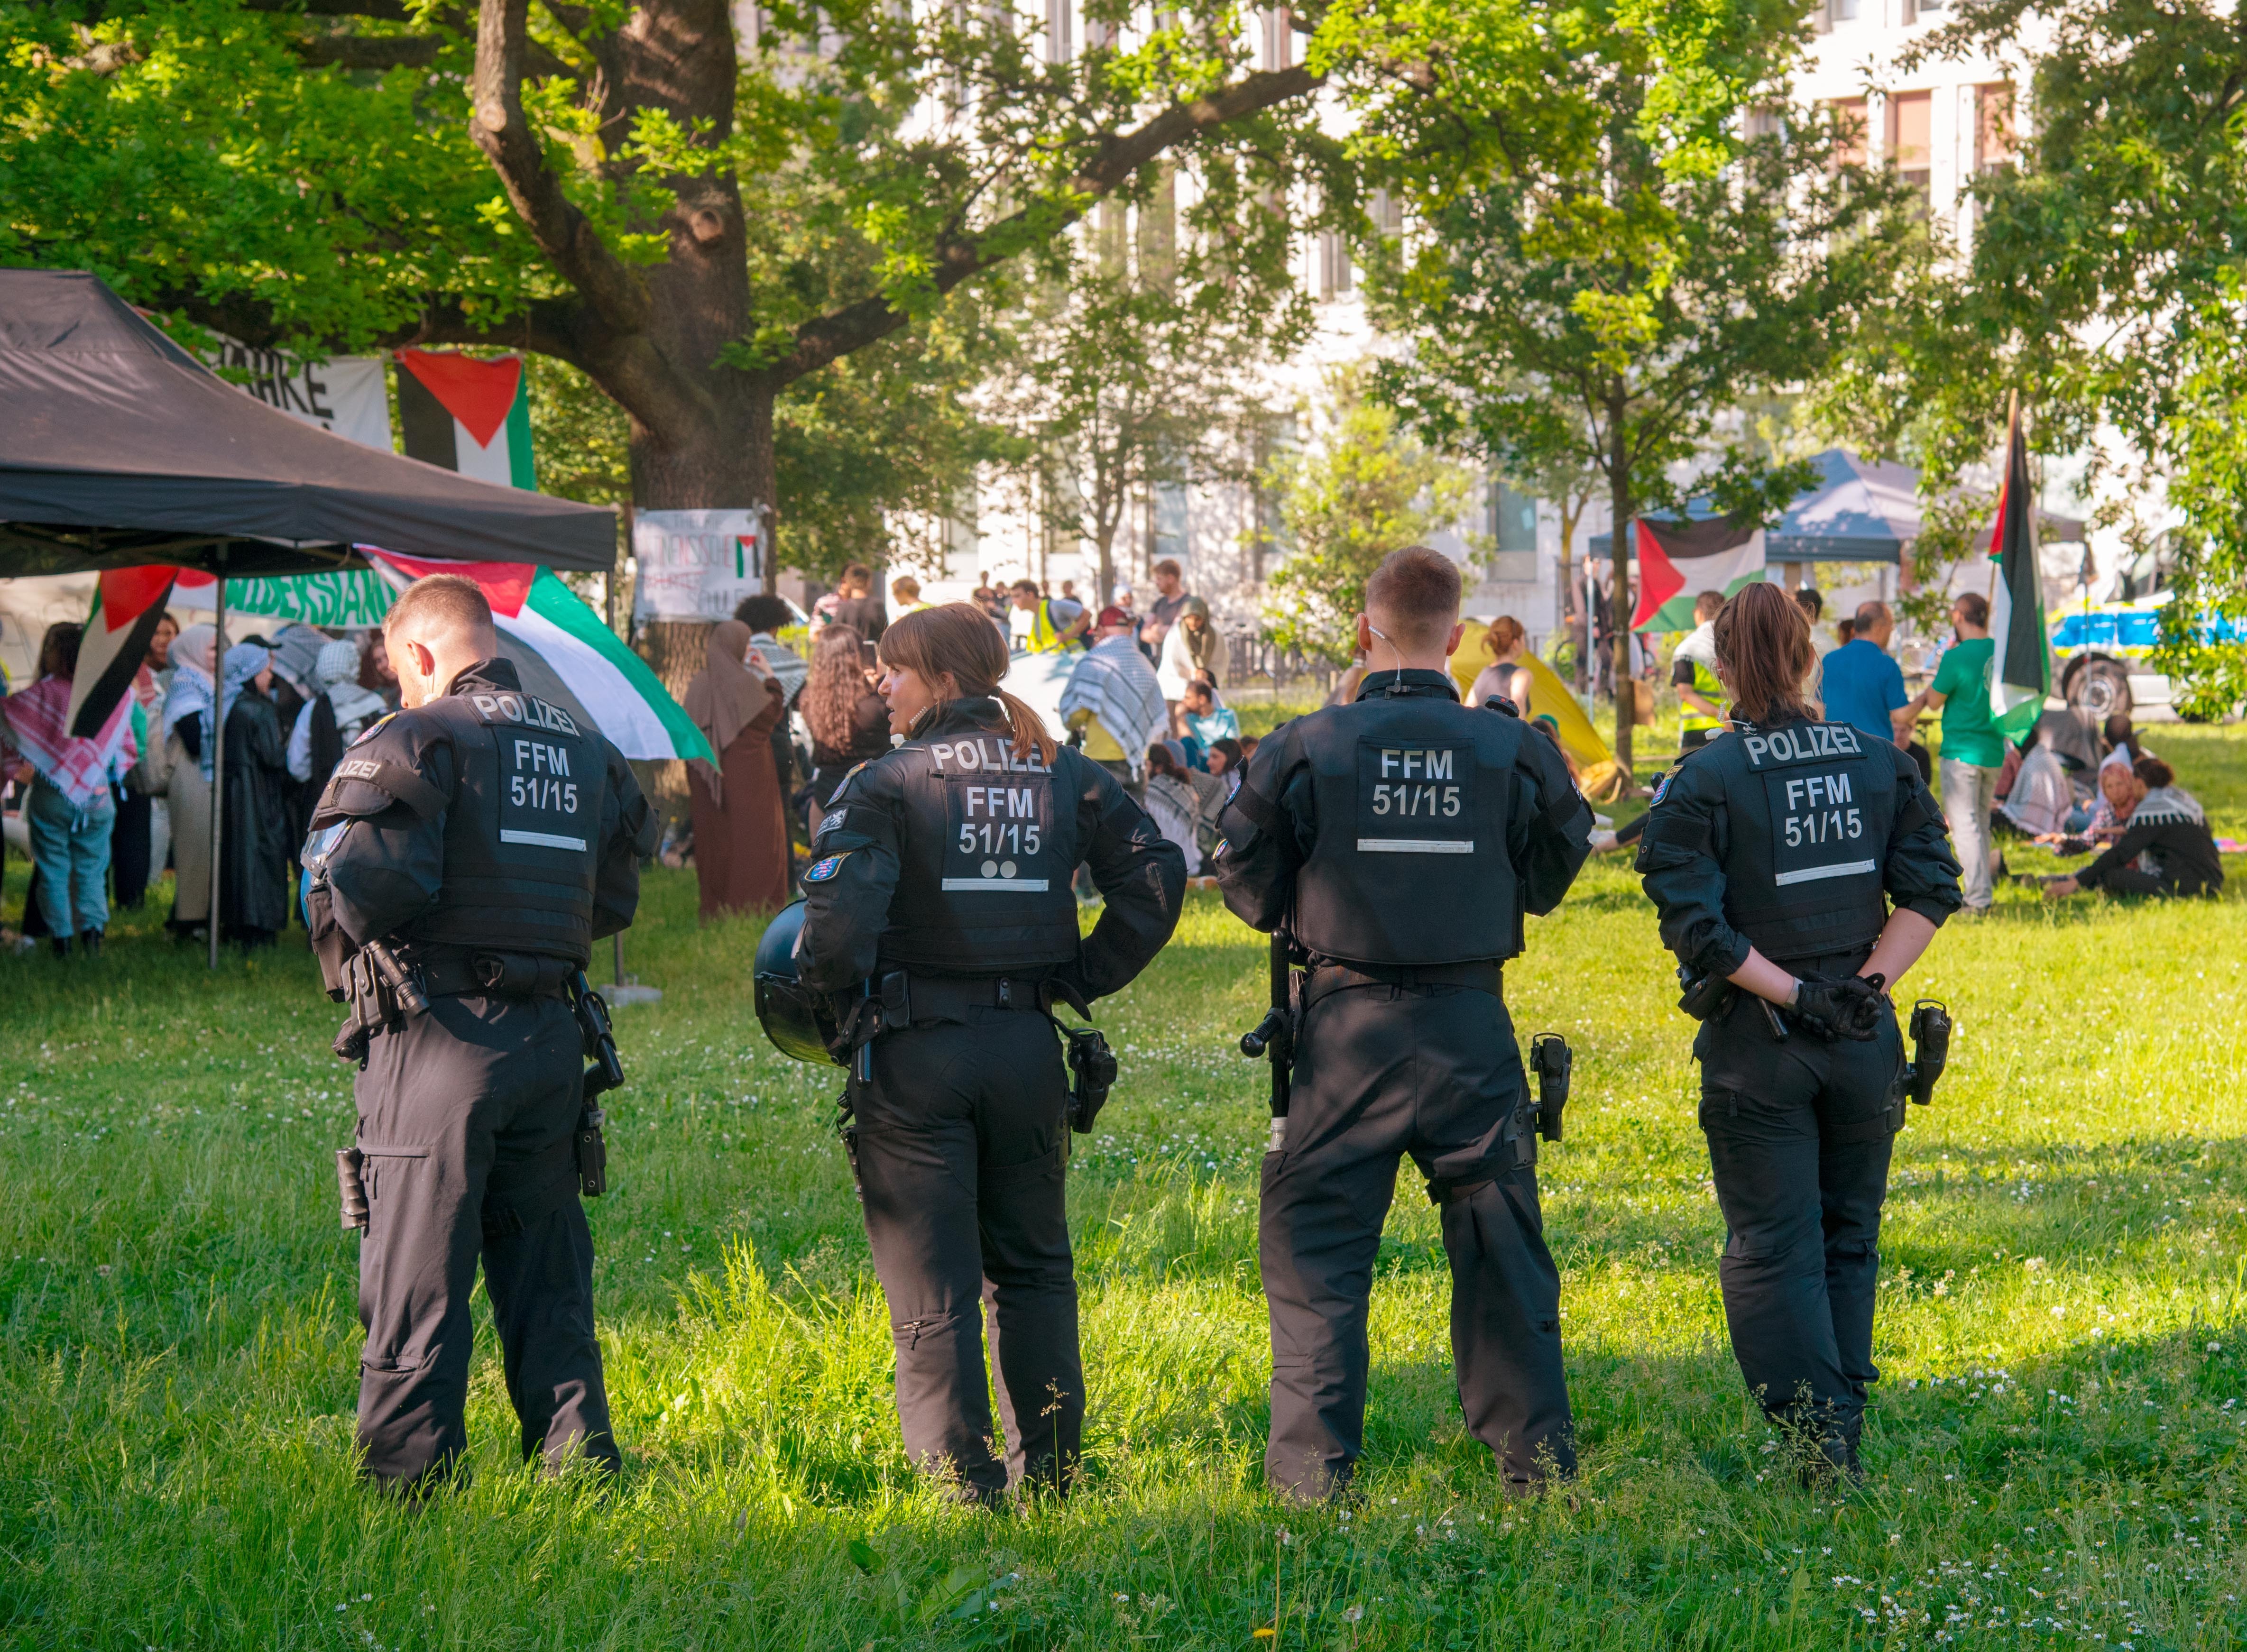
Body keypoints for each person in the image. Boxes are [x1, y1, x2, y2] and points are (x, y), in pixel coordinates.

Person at [1213, 546, 1594, 1502]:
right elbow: (1556, 863)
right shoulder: (1512, 747)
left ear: (1363, 631)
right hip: (1469, 1024)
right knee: (1503, 1253)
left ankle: (1311, 1480)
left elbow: (1244, 881)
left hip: (1344, 1032)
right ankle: (1537, 1470)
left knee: (1316, 1253)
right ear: (1455, 637)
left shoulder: (1305, 743)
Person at [795, 603, 1185, 1505]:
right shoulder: (1062, 769)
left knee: (932, 1290)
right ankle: (1053, 1476)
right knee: (1035, 1271)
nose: (880, 683)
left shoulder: (884, 781)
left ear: (939, 677)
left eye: (893, 669)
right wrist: (1078, 976)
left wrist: (836, 1010)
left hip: (915, 1052)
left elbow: (836, 929)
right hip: (1025, 1049)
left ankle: (963, 1491)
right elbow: (1155, 875)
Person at [300, 574, 654, 1492]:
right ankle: (578, 1464)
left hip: (436, 1036)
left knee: (415, 1271)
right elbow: (614, 895)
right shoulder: (587, 746)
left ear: (419, 653)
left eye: (397, 668)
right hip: (552, 1039)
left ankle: (410, 1483)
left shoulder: (413, 737)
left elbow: (356, 886)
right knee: (547, 1268)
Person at [1633, 582, 1962, 1484]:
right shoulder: (1880, 761)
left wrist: (1801, 996)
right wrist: (1862, 988)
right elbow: (1932, 887)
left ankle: (1822, 1445)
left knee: (1774, 1248)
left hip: (1761, 1042)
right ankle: (1838, 1434)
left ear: (1723, 666)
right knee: (1849, 1235)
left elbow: (1697, 929)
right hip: (1862, 1037)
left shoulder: (1703, 777)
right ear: (1808, 655)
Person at [0, 623, 137, 956]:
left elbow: (7, 718)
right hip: (98, 793)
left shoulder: (42, 694)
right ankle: (92, 937)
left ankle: (61, 940)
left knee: (53, 868)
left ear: (57, 654)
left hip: (52, 792)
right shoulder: (113, 694)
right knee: (92, 868)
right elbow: (127, 745)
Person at [1895, 593, 2004, 913]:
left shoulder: (1957, 656)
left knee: (1965, 825)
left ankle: (1978, 898)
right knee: (1980, 822)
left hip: (1961, 751)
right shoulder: (2000, 651)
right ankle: (1983, 891)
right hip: (1993, 749)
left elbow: (1934, 701)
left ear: (1958, 616)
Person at [683, 619, 790, 918]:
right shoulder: (745, 684)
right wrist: (769, 675)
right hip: (749, 776)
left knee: (714, 836)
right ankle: (752, 905)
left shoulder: (698, 684)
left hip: (706, 776)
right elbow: (772, 713)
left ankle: (716, 904)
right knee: (753, 836)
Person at [2044, 757, 2221, 901]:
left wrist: (2077, 882)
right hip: (2213, 883)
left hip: (2184, 887)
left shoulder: (2152, 811)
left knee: (2111, 875)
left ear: (2139, 783)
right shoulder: (2184, 803)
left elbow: (2121, 854)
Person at [218, 642, 293, 948]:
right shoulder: (259, 709)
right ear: (251, 673)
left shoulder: (231, 705)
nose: (270, 676)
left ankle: (236, 927)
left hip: (236, 794)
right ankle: (261, 927)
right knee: (262, 858)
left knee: (237, 860)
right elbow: (274, 757)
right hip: (260, 796)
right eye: (265, 670)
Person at [1058, 606, 1166, 794]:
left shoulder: (1096, 662)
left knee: (1097, 813)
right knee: (1133, 812)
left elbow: (1076, 715)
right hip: (1137, 760)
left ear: (1101, 630)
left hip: (1101, 760)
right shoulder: (1144, 664)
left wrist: (1071, 721)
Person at [801, 625, 893, 832]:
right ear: (858, 655)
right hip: (872, 800)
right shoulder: (875, 705)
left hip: (825, 800)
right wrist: (880, 681)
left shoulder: (809, 700)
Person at [289, 640, 389, 798]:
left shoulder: (312, 709)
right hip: (374, 795)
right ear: (353, 665)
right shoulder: (375, 702)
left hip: (330, 799)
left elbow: (298, 767)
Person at [1817, 601, 1910, 754]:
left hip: (1834, 751)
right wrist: (1925, 698)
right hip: (1876, 753)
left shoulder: (1829, 660)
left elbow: (1817, 710)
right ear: (1878, 627)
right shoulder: (1886, 664)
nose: (1891, 631)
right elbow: (1901, 716)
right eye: (1890, 626)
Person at [1669, 592, 1729, 752]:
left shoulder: (1686, 649)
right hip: (1733, 727)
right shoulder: (1735, 645)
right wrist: (1729, 717)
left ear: (1698, 614)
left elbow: (1685, 693)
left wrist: (1721, 714)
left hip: (1696, 730)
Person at [1157, 597, 1227, 728]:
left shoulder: (1215, 636)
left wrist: (1206, 675)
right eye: (1189, 618)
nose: (1193, 623)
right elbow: (1170, 666)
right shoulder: (1175, 635)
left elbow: (1220, 663)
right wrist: (1191, 676)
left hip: (1203, 690)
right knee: (1177, 720)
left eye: (1198, 619)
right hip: (1177, 689)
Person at [1466, 615, 1535, 715]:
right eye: (1523, 639)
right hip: (1509, 725)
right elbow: (1518, 702)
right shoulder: (1521, 675)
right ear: (1515, 643)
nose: (1524, 644)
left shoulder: (1484, 674)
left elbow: (1468, 709)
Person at [1008, 578, 1087, 654]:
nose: (1014, 601)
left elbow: (1086, 614)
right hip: (1058, 661)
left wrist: (1068, 636)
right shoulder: (1036, 617)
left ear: (1030, 595)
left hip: (1075, 658)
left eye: (1017, 596)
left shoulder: (1054, 606)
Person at [1138, 558, 1191, 655]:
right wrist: (1163, 632)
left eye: (1159, 579)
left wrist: (1156, 629)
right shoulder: (1159, 603)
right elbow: (1144, 634)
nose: (1156, 583)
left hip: (1179, 660)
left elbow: (1176, 632)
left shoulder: (1187, 602)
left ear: (1170, 579)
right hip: (1160, 661)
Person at [829, 564, 891, 644]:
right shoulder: (878, 606)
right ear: (868, 582)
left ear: (849, 583)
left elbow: (834, 636)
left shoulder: (843, 609)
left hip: (850, 651)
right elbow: (886, 635)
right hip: (874, 651)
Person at [1179, 678, 1240, 747]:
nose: (1184, 702)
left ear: (1202, 699)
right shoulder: (1187, 718)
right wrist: (1180, 718)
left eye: (1188, 698)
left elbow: (1234, 747)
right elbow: (1186, 747)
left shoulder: (1227, 716)